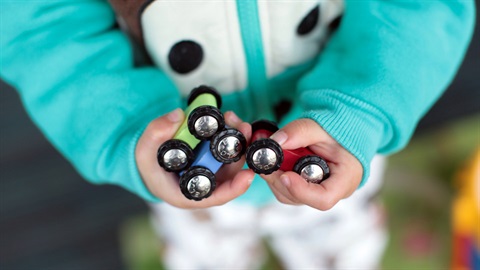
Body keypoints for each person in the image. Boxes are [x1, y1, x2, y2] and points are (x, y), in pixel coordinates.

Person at [1, 0, 475, 269]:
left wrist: (362, 107)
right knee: (204, 249)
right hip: (178, 158)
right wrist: (126, 124)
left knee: (339, 240)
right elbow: (40, 28)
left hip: (335, 151)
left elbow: (421, 7)